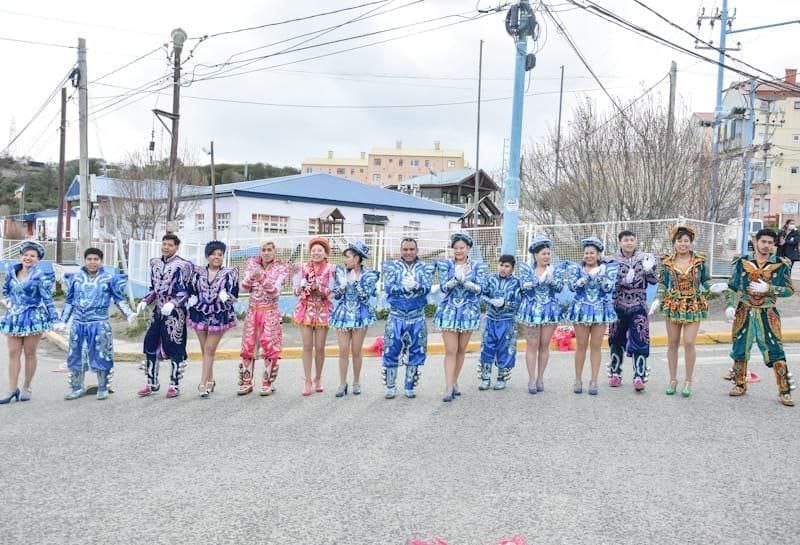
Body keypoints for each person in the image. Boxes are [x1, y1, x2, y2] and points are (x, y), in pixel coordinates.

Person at [649, 225, 727, 397]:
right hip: (674, 304)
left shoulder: (699, 261)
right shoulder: (667, 262)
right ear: (674, 243)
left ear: (691, 243)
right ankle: (673, 379)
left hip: (693, 303)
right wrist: (658, 299)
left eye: (686, 241)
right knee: (673, 342)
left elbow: (705, 280)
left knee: (689, 342)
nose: (683, 244)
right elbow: (663, 283)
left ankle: (688, 380)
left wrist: (713, 287)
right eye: (679, 241)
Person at [725, 229, 796, 406]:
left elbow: (789, 290)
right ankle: (740, 384)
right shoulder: (743, 262)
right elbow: (733, 287)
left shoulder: (781, 264)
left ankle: (784, 391)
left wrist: (770, 289)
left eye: (770, 243)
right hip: (744, 311)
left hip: (768, 312)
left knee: (776, 349)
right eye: (763, 241)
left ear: (774, 245)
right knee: (740, 346)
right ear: (756, 242)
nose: (766, 246)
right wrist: (730, 305)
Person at [57, 248, 137, 400]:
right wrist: (63, 321)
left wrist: (129, 313)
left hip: (99, 323)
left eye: (96, 259)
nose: (92, 262)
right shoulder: (75, 278)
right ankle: (76, 387)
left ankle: (103, 387)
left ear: (101, 261)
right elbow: (70, 301)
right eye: (89, 259)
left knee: (102, 354)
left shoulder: (109, 278)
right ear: (85, 260)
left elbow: (118, 298)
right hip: (78, 323)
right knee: (76, 355)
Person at [135, 234, 194, 398]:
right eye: (164, 244)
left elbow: (186, 292)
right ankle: (151, 383)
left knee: (175, 347)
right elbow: (154, 288)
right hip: (158, 311)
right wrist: (145, 301)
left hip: (175, 313)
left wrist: (174, 303)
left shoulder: (184, 265)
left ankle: (174, 385)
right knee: (150, 345)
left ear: (176, 247)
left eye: (170, 245)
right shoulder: (155, 263)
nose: (166, 247)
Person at [0, 241, 59, 404]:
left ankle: (26, 386)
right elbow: (5, 290)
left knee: (29, 353)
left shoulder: (41, 276)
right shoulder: (12, 272)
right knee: (13, 353)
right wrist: (10, 303)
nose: (28, 258)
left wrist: (55, 318)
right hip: (14, 317)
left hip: (33, 317)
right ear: (20, 256)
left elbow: (48, 298)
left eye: (32, 256)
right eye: (25, 255)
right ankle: (12, 389)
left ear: (37, 259)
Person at [434, 232, 486, 402]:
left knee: (461, 350)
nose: (459, 250)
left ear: (468, 248)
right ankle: (448, 387)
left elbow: (482, 288)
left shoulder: (477, 266)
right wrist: (454, 281)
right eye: (456, 248)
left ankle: (455, 381)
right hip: (449, 311)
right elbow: (443, 288)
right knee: (451, 350)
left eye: (462, 247)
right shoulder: (447, 265)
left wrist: (468, 283)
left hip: (468, 312)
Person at [381, 238, 434, 399]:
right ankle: (390, 386)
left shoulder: (425, 267)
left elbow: (427, 288)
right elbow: (389, 287)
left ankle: (409, 385)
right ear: (401, 250)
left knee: (416, 350)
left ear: (417, 251)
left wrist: (417, 286)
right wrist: (403, 287)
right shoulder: (392, 266)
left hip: (417, 316)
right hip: (396, 315)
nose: (408, 252)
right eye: (405, 249)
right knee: (391, 348)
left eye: (411, 249)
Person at [565, 237, 618, 396]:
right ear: (583, 255)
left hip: (600, 311)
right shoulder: (576, 269)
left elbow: (609, 289)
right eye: (586, 253)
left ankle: (594, 380)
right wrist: (585, 278)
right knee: (581, 346)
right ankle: (578, 379)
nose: (589, 256)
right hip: (581, 310)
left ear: (598, 255)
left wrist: (601, 276)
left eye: (592, 253)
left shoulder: (607, 269)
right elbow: (572, 287)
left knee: (596, 346)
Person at [607, 230, 658, 392]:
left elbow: (652, 281)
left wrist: (649, 270)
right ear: (620, 242)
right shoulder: (612, 261)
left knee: (641, 340)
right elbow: (608, 283)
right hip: (618, 305)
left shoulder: (645, 258)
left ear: (636, 242)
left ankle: (639, 376)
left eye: (631, 240)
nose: (629, 242)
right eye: (625, 240)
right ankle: (615, 373)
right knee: (616, 340)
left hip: (639, 305)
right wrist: (622, 280)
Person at [187, 241, 239, 398]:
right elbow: (191, 290)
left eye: (220, 254)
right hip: (199, 313)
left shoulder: (229, 273)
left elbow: (234, 296)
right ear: (207, 256)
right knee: (205, 349)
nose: (216, 257)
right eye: (213, 254)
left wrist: (227, 297)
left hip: (219, 315)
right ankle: (211, 380)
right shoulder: (197, 272)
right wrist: (192, 298)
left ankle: (203, 383)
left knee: (210, 348)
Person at [238, 241, 290, 396]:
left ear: (274, 251)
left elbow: (275, 292)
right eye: (263, 250)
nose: (266, 253)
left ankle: (267, 382)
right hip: (253, 310)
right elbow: (243, 288)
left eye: (269, 250)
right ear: (259, 251)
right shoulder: (251, 264)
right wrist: (250, 278)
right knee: (248, 346)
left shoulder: (282, 267)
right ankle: (247, 381)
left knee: (270, 346)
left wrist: (260, 278)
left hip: (270, 312)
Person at [330, 241, 380, 397]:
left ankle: (356, 382)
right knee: (343, 350)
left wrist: (356, 284)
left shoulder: (369, 275)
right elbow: (336, 296)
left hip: (360, 314)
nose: (345, 260)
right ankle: (342, 383)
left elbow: (366, 298)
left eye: (348, 257)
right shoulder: (340, 272)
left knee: (356, 351)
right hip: (343, 314)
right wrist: (342, 287)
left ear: (357, 259)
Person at [516, 235, 564, 394]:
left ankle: (540, 378)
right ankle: (531, 379)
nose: (547, 256)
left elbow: (559, 289)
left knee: (544, 345)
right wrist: (538, 280)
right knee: (532, 345)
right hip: (531, 310)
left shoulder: (554, 270)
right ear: (536, 255)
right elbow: (523, 287)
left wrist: (551, 280)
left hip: (549, 311)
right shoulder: (527, 269)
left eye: (548, 254)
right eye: (544, 254)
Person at [293, 237, 335, 396]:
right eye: (313, 250)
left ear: (325, 254)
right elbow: (296, 289)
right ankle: (307, 380)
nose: (316, 253)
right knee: (307, 347)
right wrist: (301, 288)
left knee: (320, 348)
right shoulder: (302, 268)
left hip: (323, 310)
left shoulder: (331, 270)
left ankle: (318, 378)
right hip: (306, 310)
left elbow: (332, 291)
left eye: (319, 250)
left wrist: (320, 289)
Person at [478, 254, 521, 391]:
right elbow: (480, 295)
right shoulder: (489, 279)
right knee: (487, 347)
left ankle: (501, 378)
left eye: (507, 266)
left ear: (512, 268)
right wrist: (490, 301)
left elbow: (519, 302)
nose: (503, 268)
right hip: (490, 319)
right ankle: (485, 378)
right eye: (501, 265)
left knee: (505, 349)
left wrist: (505, 304)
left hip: (507, 321)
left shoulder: (517, 283)